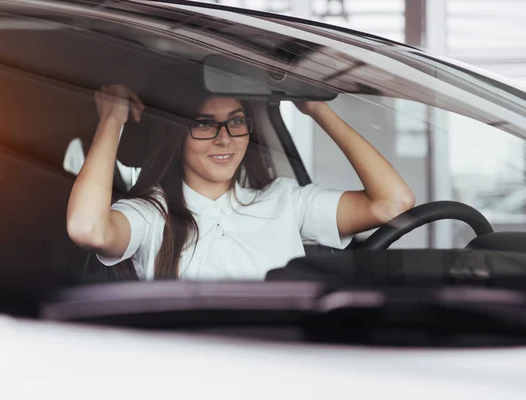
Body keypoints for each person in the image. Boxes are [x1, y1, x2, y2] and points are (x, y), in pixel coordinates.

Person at [67, 65, 415, 280]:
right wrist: (113, 119)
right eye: (205, 124)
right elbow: (88, 228)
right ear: (178, 134)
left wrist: (316, 109)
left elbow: (393, 203)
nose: (224, 139)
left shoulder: (285, 200)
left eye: (236, 122)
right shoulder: (151, 213)